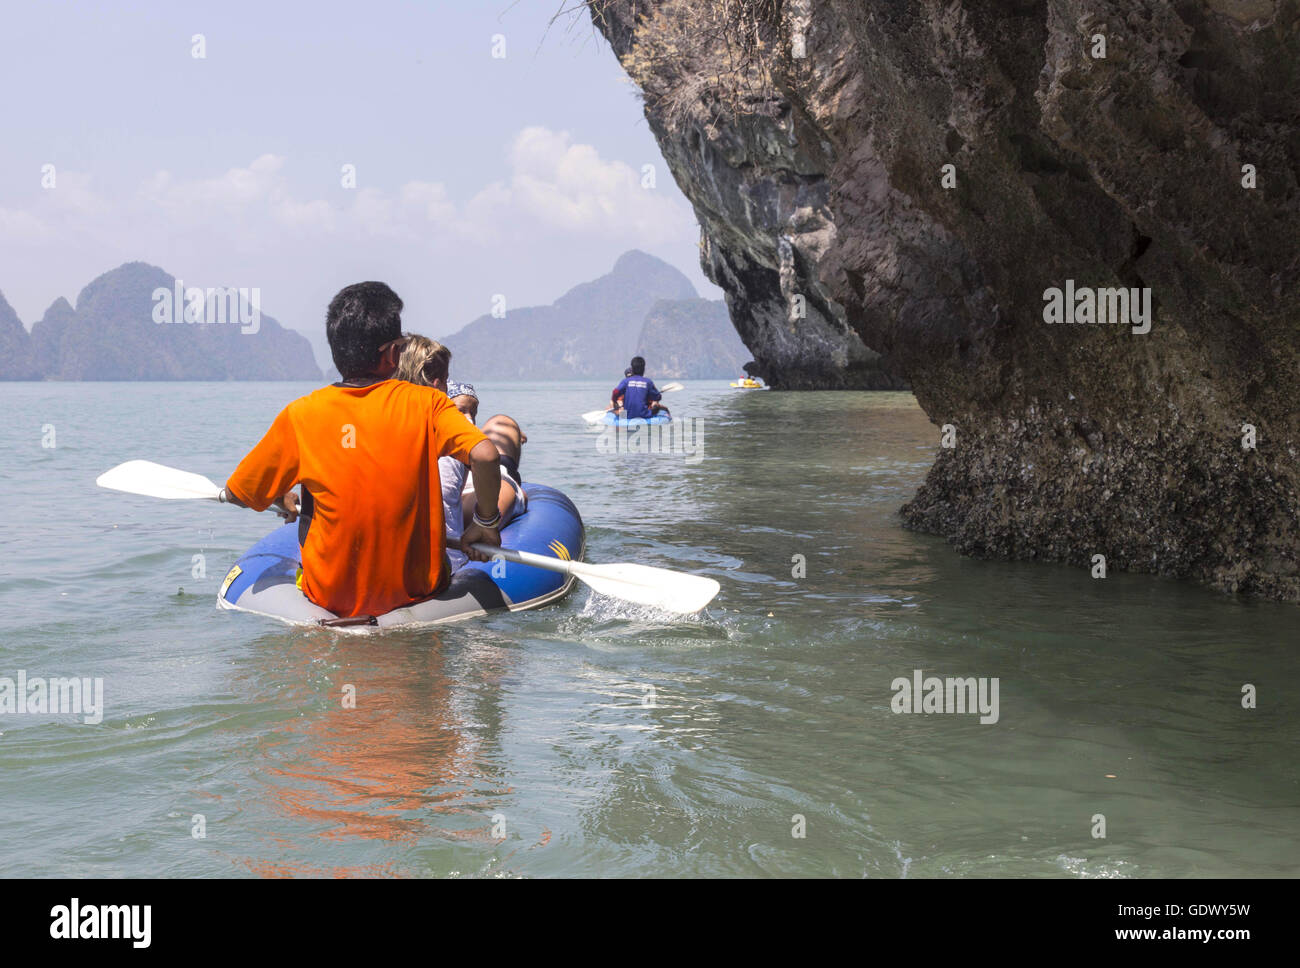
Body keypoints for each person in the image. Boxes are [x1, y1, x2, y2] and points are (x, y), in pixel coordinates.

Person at [220, 283, 504, 619]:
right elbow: (485, 455)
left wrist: (277, 494)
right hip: (417, 599)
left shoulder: (301, 415)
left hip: (326, 604)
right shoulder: (427, 404)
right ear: (391, 353)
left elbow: (239, 493)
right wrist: (486, 522)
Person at [394, 337, 528, 570]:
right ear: (438, 385)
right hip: (442, 569)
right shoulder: (447, 434)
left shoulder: (373, 430)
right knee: (502, 432)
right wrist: (485, 522)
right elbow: (486, 455)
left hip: (390, 570)